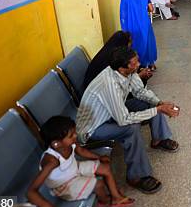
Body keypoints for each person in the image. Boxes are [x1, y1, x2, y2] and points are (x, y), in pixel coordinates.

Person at [76, 47, 180, 194]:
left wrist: (159, 103)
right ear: (122, 67)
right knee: (131, 129)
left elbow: (140, 91)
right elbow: (124, 119)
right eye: (135, 62)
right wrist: (158, 110)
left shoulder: (127, 72)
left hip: (112, 112)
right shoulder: (109, 84)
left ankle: (159, 139)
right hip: (94, 127)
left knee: (151, 102)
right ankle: (136, 176)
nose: (138, 64)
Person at [28, 116, 134, 207]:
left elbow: (81, 151)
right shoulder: (52, 160)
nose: (75, 135)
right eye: (71, 135)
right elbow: (31, 191)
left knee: (105, 168)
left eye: (74, 132)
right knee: (98, 184)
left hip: (74, 168)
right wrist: (45, 206)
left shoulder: (69, 143)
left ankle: (116, 198)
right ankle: (104, 200)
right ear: (56, 144)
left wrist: (99, 157)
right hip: (64, 185)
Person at [83, 31, 153, 91]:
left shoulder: (108, 51)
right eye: (128, 44)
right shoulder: (112, 59)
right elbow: (120, 84)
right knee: (139, 91)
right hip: (102, 92)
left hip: (94, 87)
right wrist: (139, 76)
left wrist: (140, 69)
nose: (129, 47)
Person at [120, 0, 157, 69]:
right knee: (147, 42)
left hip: (131, 26)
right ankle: (151, 64)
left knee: (135, 44)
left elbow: (123, 15)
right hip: (145, 24)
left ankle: (139, 66)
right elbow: (151, 9)